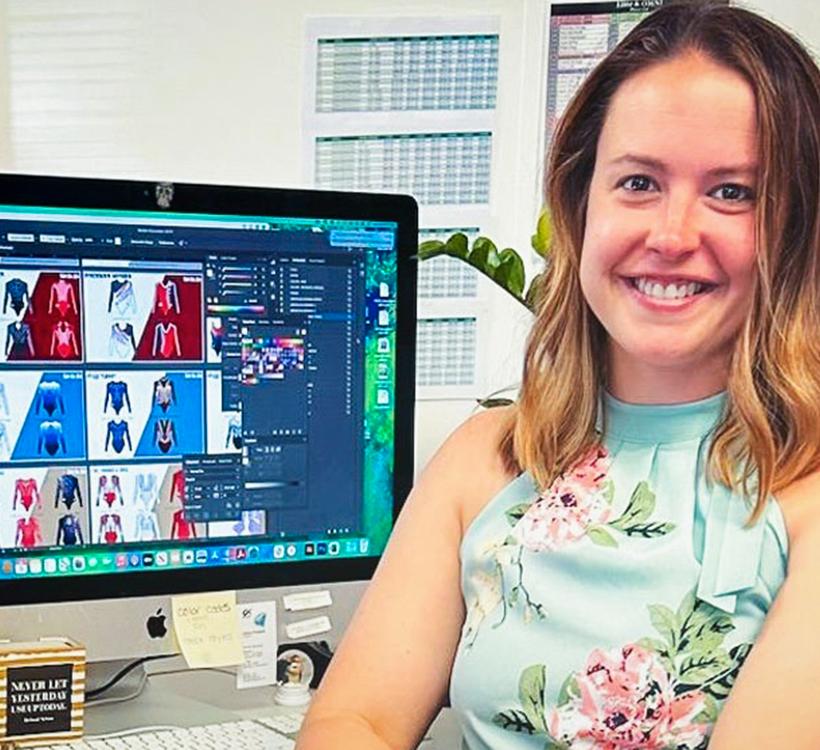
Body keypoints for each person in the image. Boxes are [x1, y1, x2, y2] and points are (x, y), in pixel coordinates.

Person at [297, 1, 820, 748]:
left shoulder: (806, 497)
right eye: (639, 182)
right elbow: (358, 719)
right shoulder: (485, 459)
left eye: (732, 192)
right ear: (580, 205)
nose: (671, 236)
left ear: (795, 228)